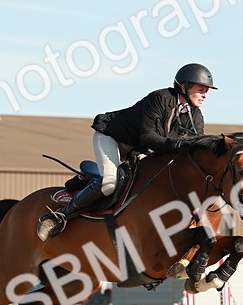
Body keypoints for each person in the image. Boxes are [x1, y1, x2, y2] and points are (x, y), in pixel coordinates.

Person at [36, 63, 217, 240]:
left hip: (140, 150)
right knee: (110, 183)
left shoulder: (196, 116)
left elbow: (194, 148)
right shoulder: (160, 98)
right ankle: (58, 217)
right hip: (113, 138)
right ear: (184, 86)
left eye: (207, 92)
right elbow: (148, 137)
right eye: (201, 90)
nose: (204, 96)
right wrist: (177, 144)